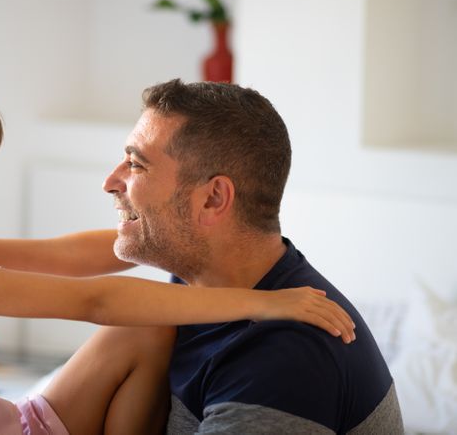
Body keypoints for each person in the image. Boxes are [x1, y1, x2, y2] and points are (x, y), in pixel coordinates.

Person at [0, 49, 355, 435]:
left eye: (136, 163)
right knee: (137, 319)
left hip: (10, 425)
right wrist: (261, 303)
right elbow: (96, 301)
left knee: (143, 333)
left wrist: (158, 236)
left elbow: (63, 256)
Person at [101, 79, 404, 434]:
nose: (110, 181)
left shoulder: (284, 361)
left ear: (213, 199)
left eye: (137, 165)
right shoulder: (193, 278)